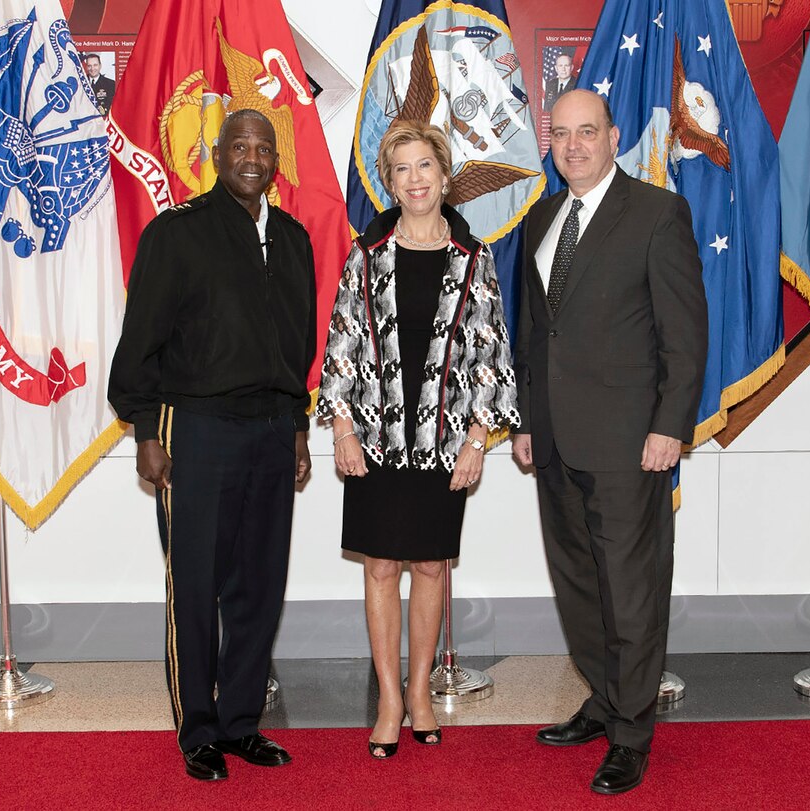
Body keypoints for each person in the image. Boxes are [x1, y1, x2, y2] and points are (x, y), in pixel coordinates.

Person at [108, 109, 315, 781]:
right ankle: (197, 728)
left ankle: (242, 723)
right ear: (217, 154)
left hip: (271, 432)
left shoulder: (293, 238)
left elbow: (299, 348)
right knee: (195, 586)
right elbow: (140, 340)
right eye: (239, 146)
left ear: (275, 158)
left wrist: (299, 427)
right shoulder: (178, 234)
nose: (251, 157)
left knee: (259, 584)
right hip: (193, 430)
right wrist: (146, 429)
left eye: (263, 147)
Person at [512, 89, 708, 795]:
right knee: (580, 585)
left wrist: (670, 424)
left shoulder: (657, 213)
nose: (573, 145)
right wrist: (528, 420)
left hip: (631, 440)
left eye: (587, 131)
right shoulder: (539, 217)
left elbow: (684, 336)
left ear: (613, 135)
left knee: (630, 589)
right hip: (557, 439)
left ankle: (632, 730)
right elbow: (535, 333)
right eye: (561, 133)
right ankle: (604, 696)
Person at [317, 120, 518, 760]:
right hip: (374, 440)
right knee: (380, 567)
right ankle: (389, 700)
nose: (415, 179)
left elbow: (491, 352)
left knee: (431, 565)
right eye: (401, 169)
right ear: (390, 181)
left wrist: (478, 440)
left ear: (444, 172)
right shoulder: (365, 254)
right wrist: (343, 428)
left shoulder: (473, 257)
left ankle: (423, 693)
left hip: (444, 440)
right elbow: (341, 346)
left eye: (425, 165)